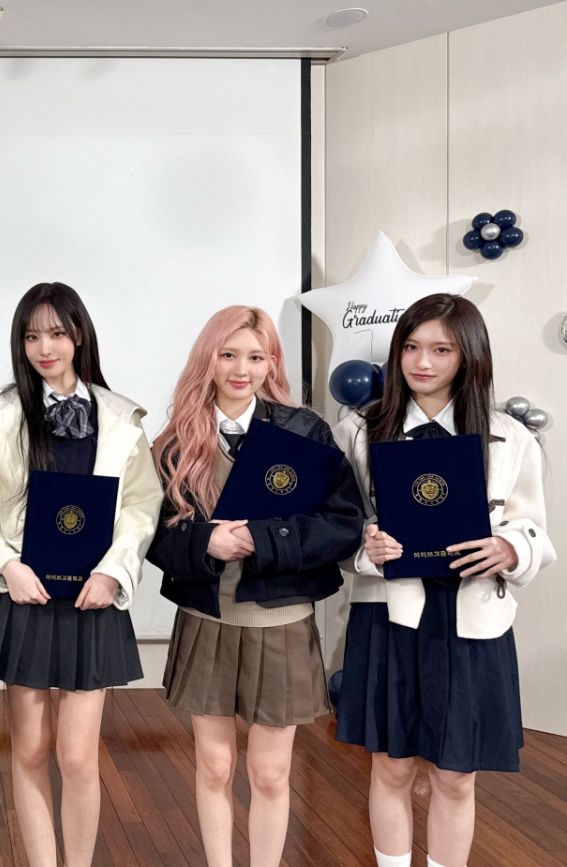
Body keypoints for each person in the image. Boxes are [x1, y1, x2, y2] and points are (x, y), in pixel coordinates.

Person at [332, 293, 554, 867]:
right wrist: (367, 547)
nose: (422, 362)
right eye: (410, 347)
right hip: (389, 614)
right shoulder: (359, 430)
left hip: (473, 617)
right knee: (392, 766)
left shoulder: (510, 436)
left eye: (441, 349)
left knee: (456, 775)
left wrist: (510, 547)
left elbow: (535, 529)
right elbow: (337, 525)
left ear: (468, 355)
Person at [147, 305, 363, 867]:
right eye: (228, 355)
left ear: (272, 363)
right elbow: (150, 534)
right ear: (209, 359)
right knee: (214, 766)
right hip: (206, 621)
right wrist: (206, 542)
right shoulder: (175, 439)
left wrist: (265, 539)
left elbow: (342, 524)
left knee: (269, 772)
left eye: (256, 357)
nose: (241, 370)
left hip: (281, 624)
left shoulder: (304, 431)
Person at [0, 281, 160, 867]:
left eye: (57, 333)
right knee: (30, 750)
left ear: (79, 335)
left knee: (77, 757)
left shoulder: (121, 416)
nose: (45, 348)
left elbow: (141, 505)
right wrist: (5, 565)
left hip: (92, 598)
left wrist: (113, 572)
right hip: (23, 596)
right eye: (32, 336)